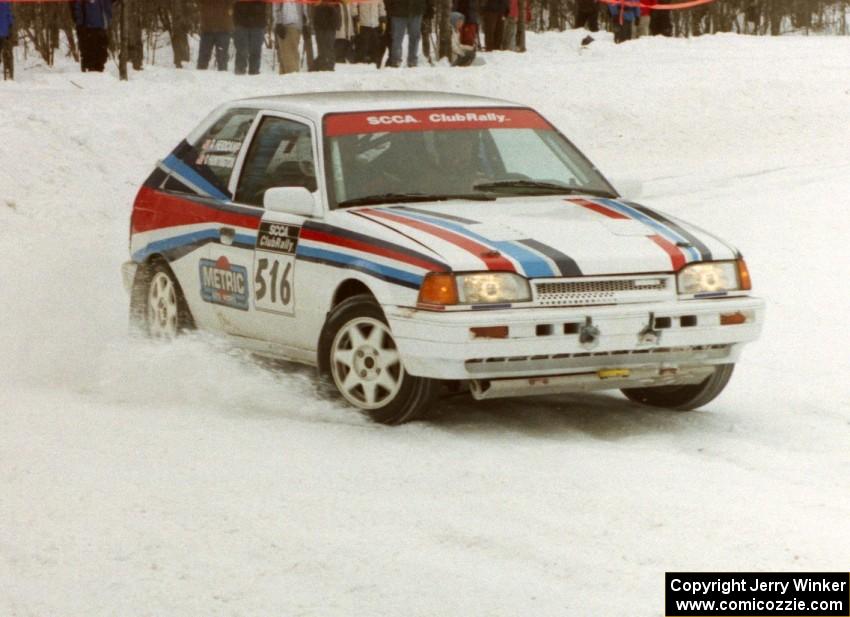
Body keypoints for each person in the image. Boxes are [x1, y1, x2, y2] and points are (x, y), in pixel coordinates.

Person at [70, 0, 115, 72]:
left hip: (101, 27)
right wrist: (79, 23)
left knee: (101, 54)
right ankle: (90, 72)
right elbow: (76, 8)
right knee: (89, 54)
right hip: (87, 28)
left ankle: (98, 70)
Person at [386, 0, 426, 67]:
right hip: (398, 11)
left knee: (415, 37)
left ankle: (412, 61)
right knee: (397, 38)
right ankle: (396, 61)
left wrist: (429, 7)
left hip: (416, 10)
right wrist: (389, 7)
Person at [273, 0, 309, 74]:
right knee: (286, 57)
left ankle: (292, 79)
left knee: (289, 57)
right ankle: (285, 81)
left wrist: (278, 22)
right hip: (289, 24)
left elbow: (276, 6)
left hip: (290, 24)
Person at [197, 0, 233, 71]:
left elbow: (233, 4)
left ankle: (224, 80)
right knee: (203, 58)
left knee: (222, 59)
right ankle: (198, 80)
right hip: (207, 28)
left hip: (223, 29)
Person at [233, 0, 266, 75]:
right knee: (241, 50)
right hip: (241, 22)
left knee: (256, 50)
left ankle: (254, 72)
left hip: (257, 22)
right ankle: (239, 72)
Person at [352, 0, 386, 64]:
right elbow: (354, 5)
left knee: (375, 43)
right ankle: (361, 59)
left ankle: (374, 59)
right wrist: (355, 15)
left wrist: (382, 16)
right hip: (364, 23)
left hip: (375, 24)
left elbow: (381, 6)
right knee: (363, 43)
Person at [311, 0, 341, 71]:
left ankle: (329, 65)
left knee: (329, 45)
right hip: (320, 21)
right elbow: (313, 4)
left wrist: (331, 5)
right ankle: (322, 63)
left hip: (331, 22)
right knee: (321, 45)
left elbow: (340, 3)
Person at [0, 1, 12, 80]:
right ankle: (8, 69)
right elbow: (10, 17)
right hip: (5, 32)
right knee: (6, 51)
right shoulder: (6, 4)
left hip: (4, 31)